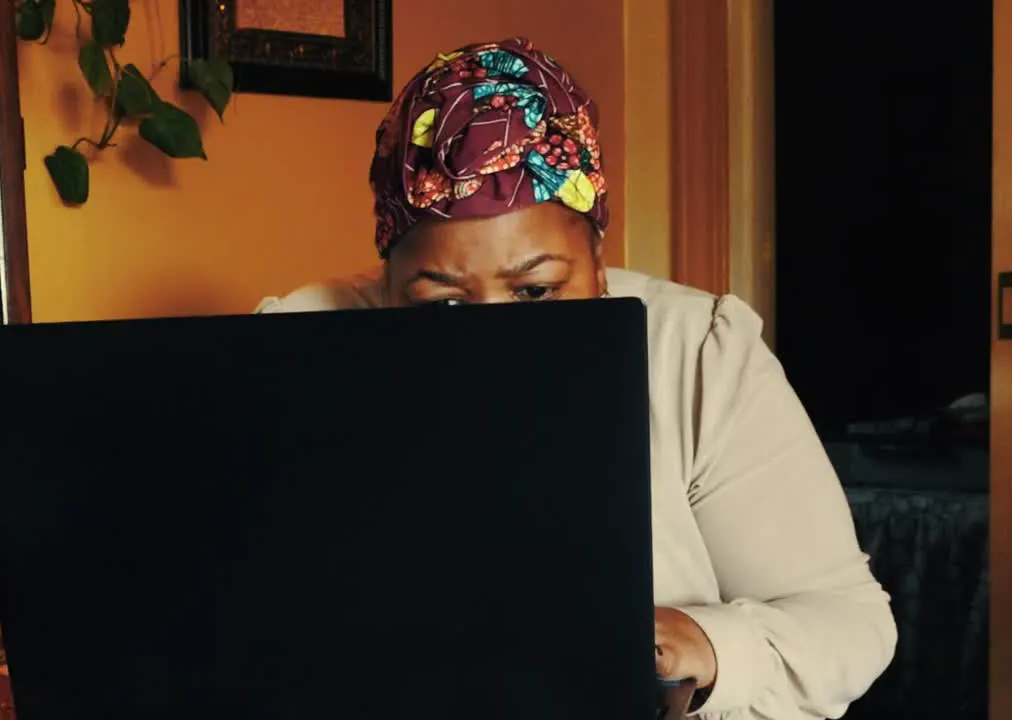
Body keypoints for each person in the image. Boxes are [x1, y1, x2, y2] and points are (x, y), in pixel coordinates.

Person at [256, 38, 896, 719]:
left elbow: (851, 628)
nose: (494, 343)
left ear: (598, 255)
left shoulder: (696, 355)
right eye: (442, 301)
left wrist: (705, 645)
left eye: (536, 292)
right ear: (387, 280)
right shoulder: (303, 342)